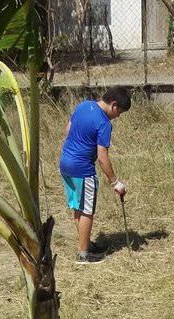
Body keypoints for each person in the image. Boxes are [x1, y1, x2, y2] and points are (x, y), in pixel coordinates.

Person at [58, 86, 131, 265]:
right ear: (114, 105)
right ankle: (84, 254)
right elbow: (102, 157)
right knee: (87, 211)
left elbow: (67, 130)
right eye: (119, 112)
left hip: (65, 164)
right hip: (82, 169)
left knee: (78, 207)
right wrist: (115, 182)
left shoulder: (84, 105)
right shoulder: (104, 123)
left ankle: (87, 244)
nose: (118, 116)